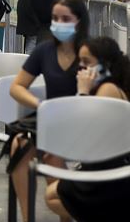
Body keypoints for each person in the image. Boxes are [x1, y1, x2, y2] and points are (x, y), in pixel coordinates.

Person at [8, 0, 88, 222]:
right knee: (19, 144)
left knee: (52, 151)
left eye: (66, 18)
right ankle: (27, 216)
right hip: (50, 117)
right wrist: (39, 105)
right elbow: (17, 87)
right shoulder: (44, 51)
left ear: (79, 21)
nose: (59, 23)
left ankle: (65, 210)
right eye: (55, 18)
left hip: (83, 118)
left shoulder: (90, 51)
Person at [46, 36, 130, 222]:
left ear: (104, 65)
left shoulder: (108, 89)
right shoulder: (105, 87)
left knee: (52, 196)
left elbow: (85, 135)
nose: (81, 67)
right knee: (51, 164)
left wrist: (82, 92)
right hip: (103, 167)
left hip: (112, 175)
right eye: (80, 61)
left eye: (87, 62)